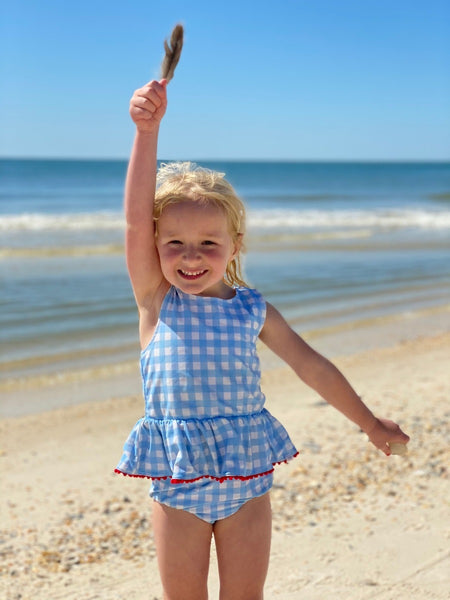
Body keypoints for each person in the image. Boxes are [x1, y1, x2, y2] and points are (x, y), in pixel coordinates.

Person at [115, 79, 410, 600]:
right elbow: (136, 220)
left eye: (209, 243)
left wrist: (367, 421)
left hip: (248, 477)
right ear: (157, 247)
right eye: (175, 243)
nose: (190, 256)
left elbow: (311, 366)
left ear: (234, 247)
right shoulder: (157, 300)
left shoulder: (253, 309)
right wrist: (147, 131)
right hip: (178, 480)